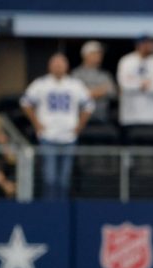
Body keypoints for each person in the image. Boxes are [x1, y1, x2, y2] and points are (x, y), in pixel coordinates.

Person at [21, 52, 94, 200]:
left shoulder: (75, 84)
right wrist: (37, 123)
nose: (58, 67)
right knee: (50, 177)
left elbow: (89, 105)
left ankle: (62, 212)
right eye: (55, 64)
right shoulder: (41, 83)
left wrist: (79, 126)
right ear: (49, 66)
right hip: (48, 136)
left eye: (61, 64)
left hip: (69, 136)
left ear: (67, 66)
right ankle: (49, 210)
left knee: (64, 178)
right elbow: (25, 102)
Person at [116, 35, 153, 131]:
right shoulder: (126, 61)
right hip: (129, 116)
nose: (150, 46)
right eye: (146, 44)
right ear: (139, 45)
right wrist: (142, 84)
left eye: (151, 43)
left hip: (151, 116)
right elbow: (123, 86)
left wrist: (134, 82)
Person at [72, 40, 116, 124]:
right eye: (95, 53)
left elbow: (113, 92)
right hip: (80, 120)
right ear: (85, 55)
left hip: (102, 119)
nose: (99, 56)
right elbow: (75, 94)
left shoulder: (105, 75)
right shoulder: (76, 74)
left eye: (100, 53)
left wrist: (88, 92)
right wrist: (99, 91)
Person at [0, 114, 17, 199]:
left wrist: (4, 145)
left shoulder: (2, 139)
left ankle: (6, 185)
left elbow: (11, 159)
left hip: (2, 169)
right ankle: (6, 185)